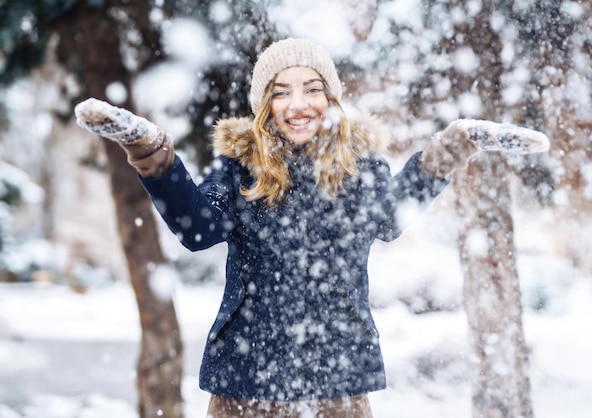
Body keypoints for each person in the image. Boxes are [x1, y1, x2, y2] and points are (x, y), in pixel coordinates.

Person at [75, 38, 548, 418]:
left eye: (312, 88)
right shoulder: (240, 167)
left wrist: (456, 144)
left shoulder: (361, 168)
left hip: (337, 384)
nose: (297, 104)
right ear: (264, 106)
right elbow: (198, 229)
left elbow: (390, 218)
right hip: (246, 381)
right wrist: (148, 148)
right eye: (280, 91)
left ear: (332, 98)